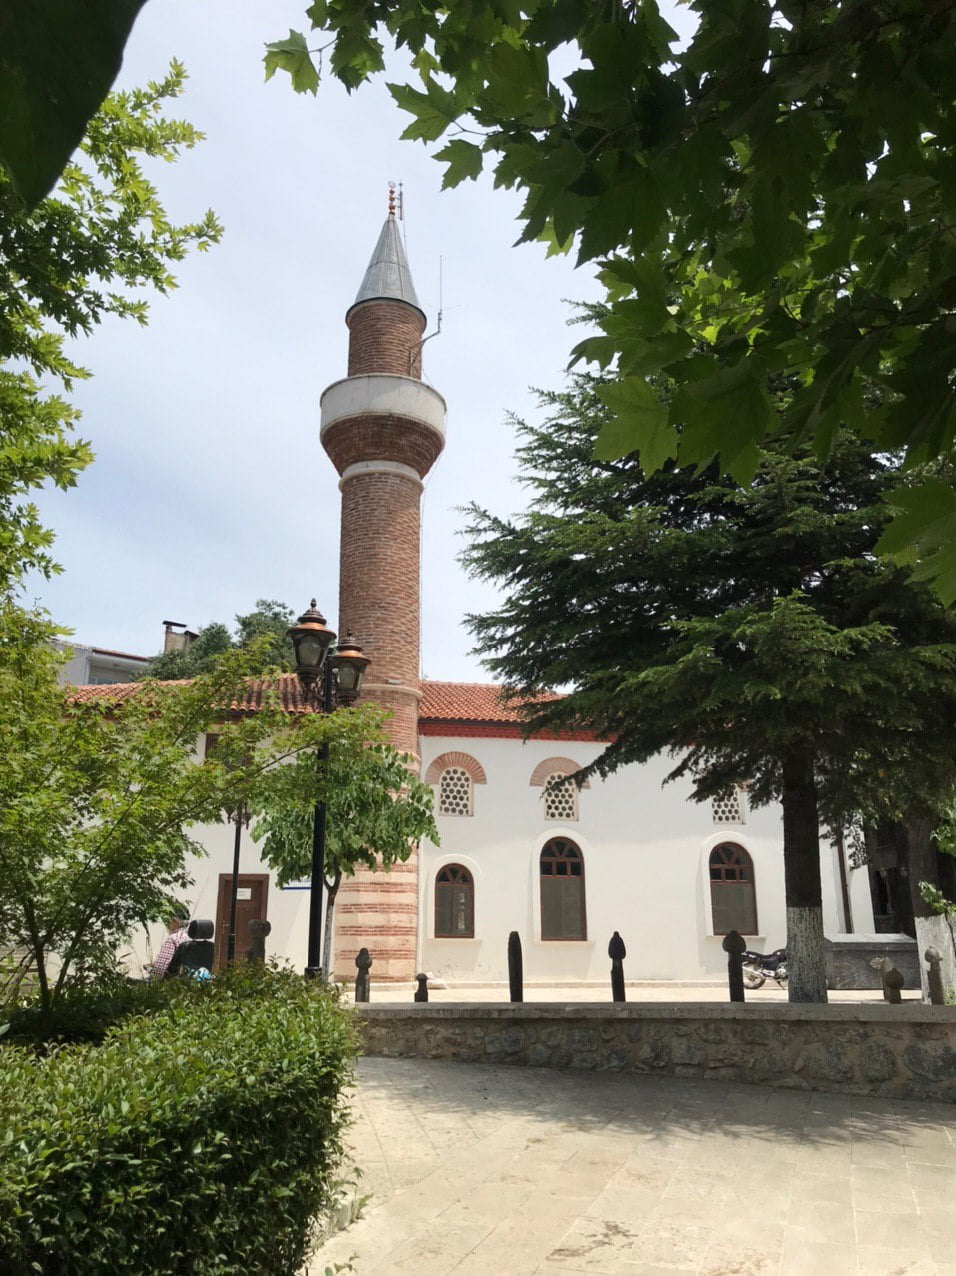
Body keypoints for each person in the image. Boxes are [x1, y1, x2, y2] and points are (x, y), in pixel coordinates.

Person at [146, 906, 190, 980]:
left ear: (175, 921)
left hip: (172, 985)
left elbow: (159, 971)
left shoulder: (173, 939)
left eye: (167, 920)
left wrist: (150, 970)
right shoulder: (192, 938)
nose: (166, 923)